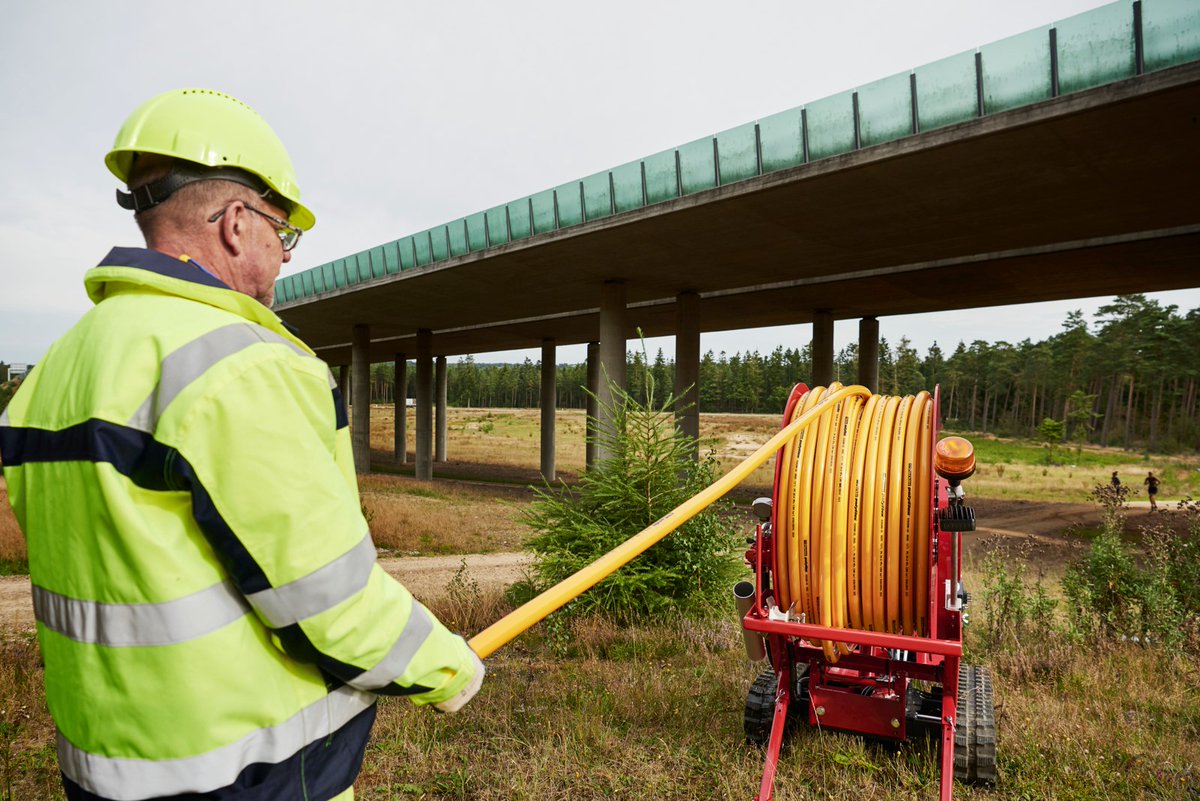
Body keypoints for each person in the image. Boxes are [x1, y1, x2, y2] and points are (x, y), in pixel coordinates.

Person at [0, 88, 483, 801]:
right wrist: (450, 666)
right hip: (248, 776)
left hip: (103, 773)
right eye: (282, 236)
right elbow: (330, 600)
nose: (284, 260)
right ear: (235, 223)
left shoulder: (58, 368)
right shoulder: (240, 363)